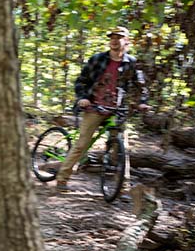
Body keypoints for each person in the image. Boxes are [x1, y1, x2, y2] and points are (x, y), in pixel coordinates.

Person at [55, 26, 150, 192]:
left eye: (118, 37)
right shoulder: (98, 59)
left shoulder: (132, 63)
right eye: (112, 37)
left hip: (116, 109)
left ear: (126, 41)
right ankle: (62, 179)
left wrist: (142, 102)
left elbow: (141, 86)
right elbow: (81, 80)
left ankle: (123, 187)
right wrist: (83, 98)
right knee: (81, 145)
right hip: (93, 107)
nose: (114, 40)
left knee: (121, 149)